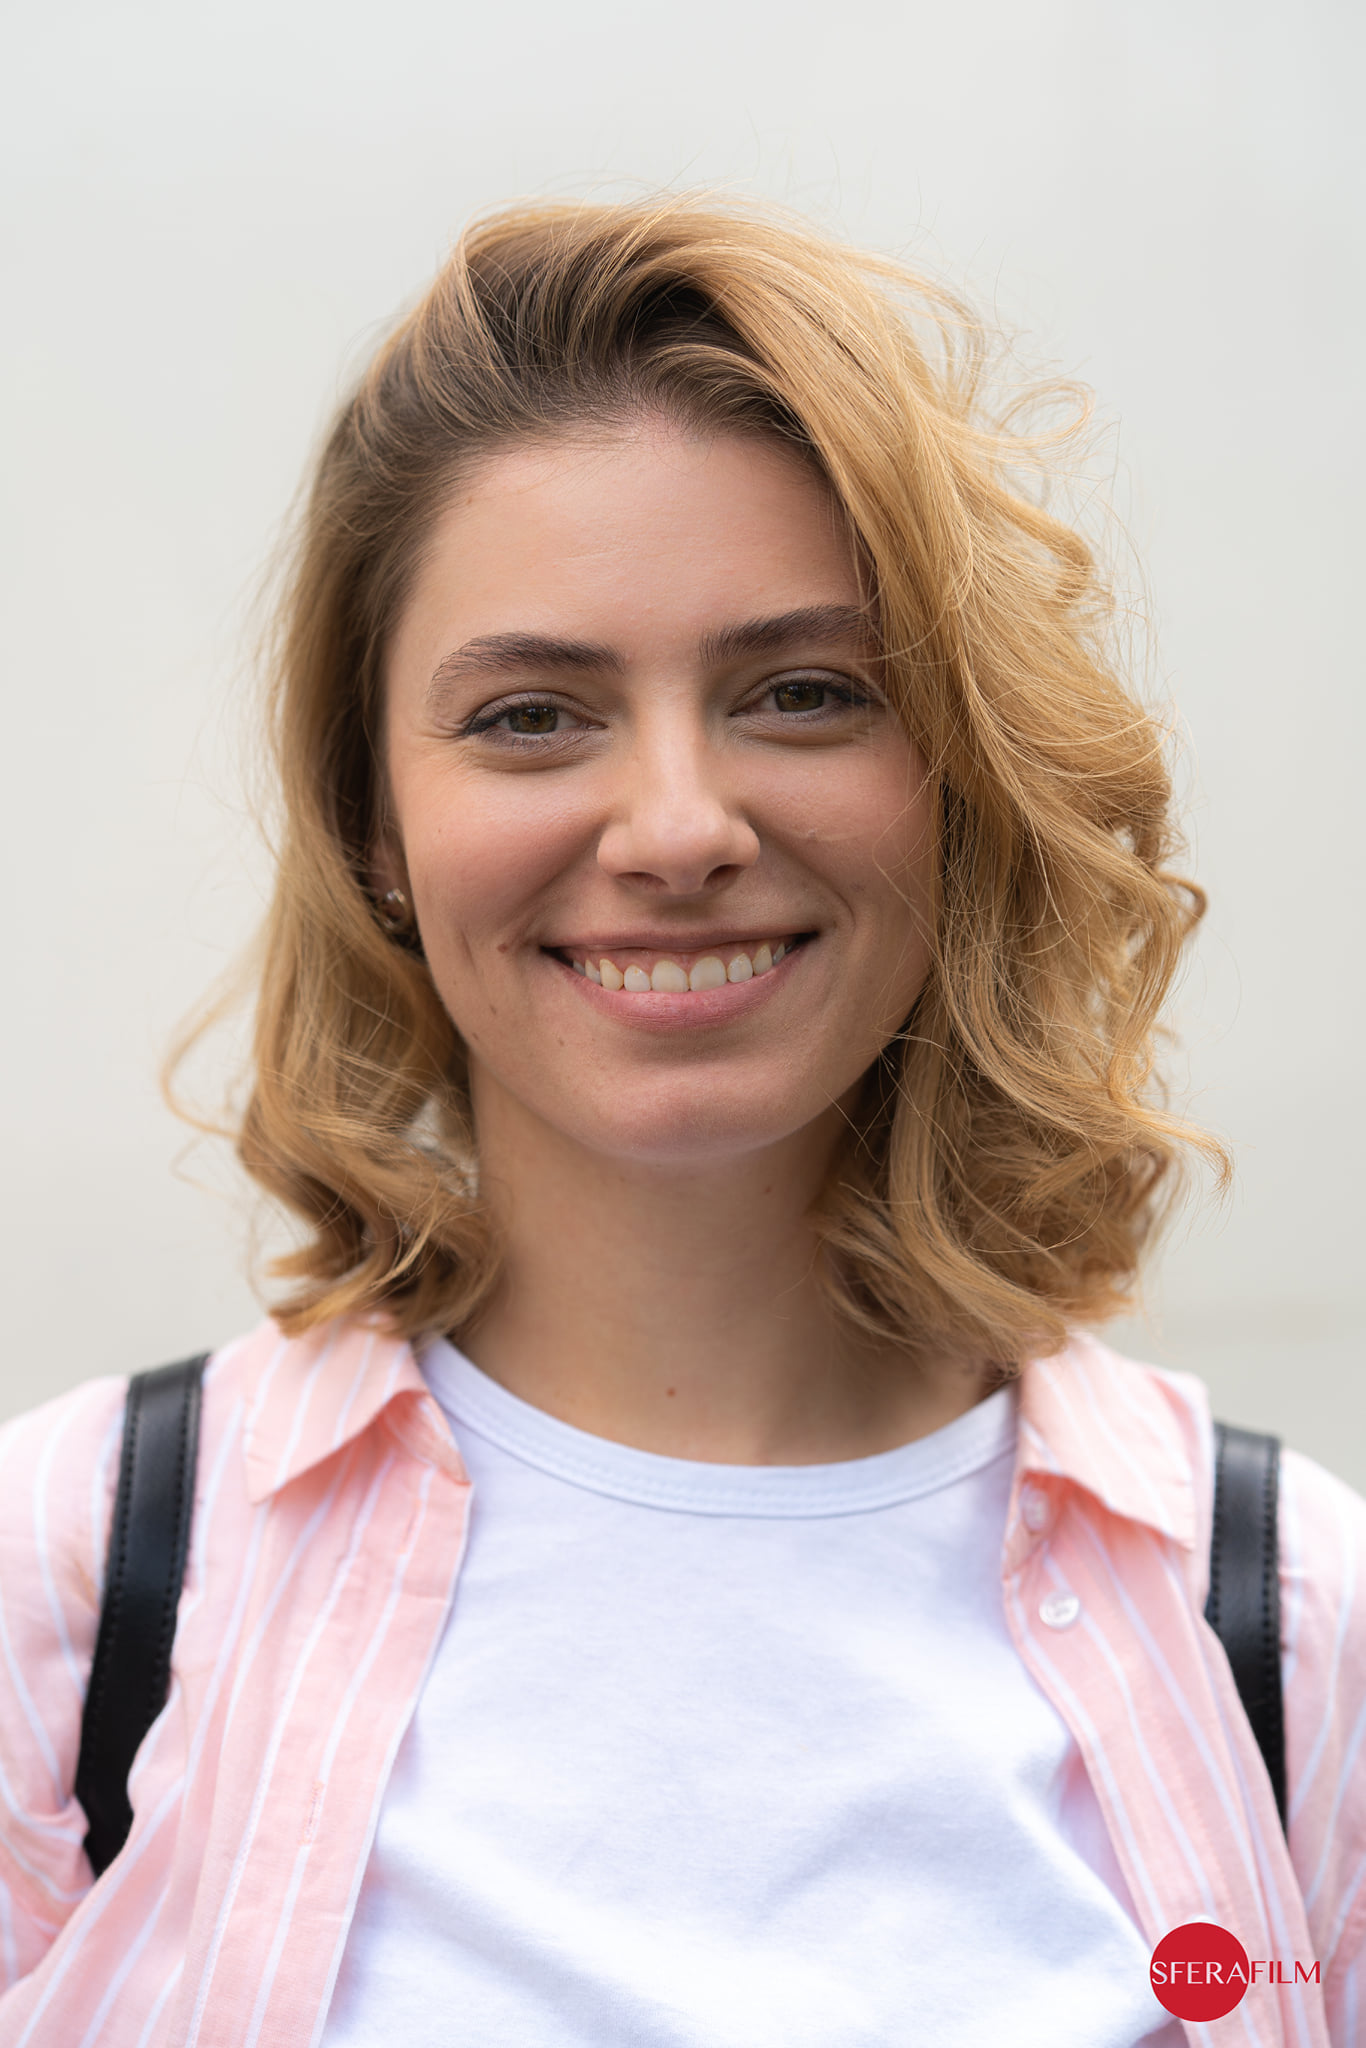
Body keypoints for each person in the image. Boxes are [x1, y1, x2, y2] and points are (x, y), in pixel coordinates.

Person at [0, 194, 1362, 2048]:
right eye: (530, 716)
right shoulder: (73, 1584)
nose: (675, 829)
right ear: (374, 826)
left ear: (958, 779)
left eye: (800, 694)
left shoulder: (1290, 1622)